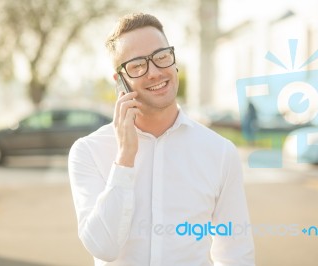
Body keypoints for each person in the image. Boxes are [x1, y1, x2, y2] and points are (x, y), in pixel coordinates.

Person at [68, 13, 255, 266]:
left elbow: (235, 253)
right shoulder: (88, 152)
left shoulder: (220, 152)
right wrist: (124, 159)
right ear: (120, 81)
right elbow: (103, 247)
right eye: (137, 65)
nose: (154, 72)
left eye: (161, 57)